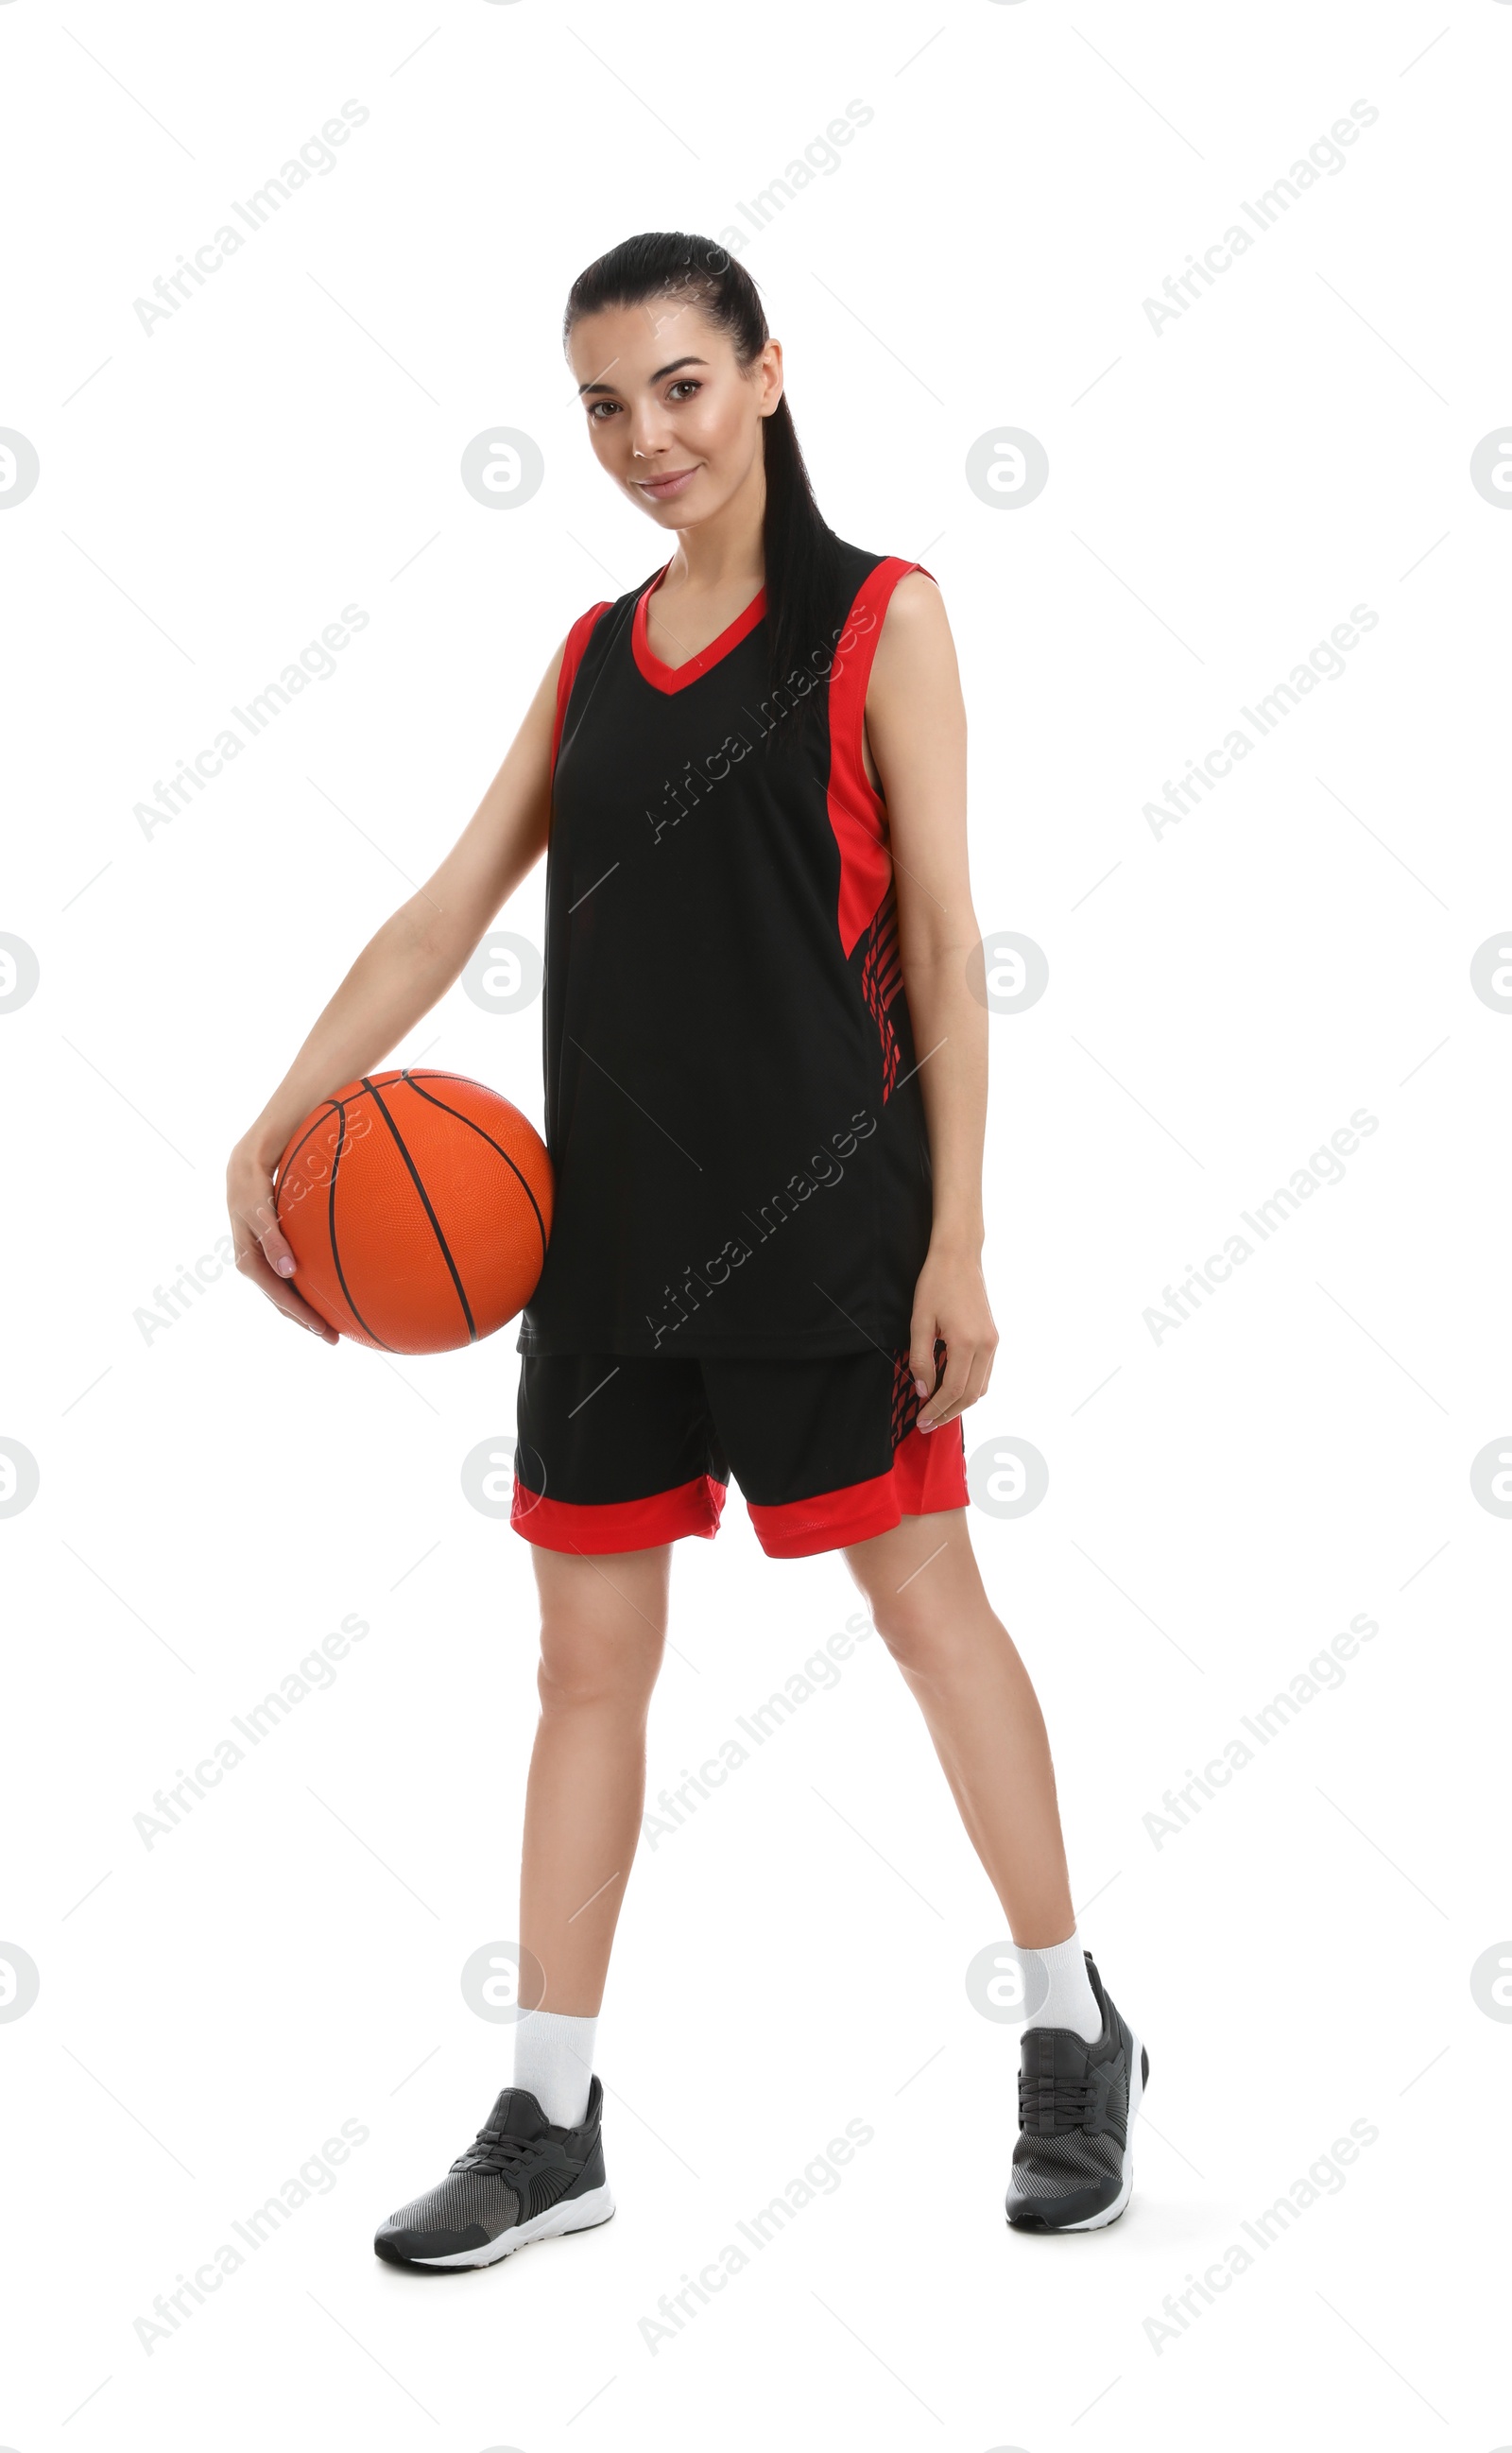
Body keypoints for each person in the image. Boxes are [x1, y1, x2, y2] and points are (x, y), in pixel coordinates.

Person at [225, 231, 1146, 2266]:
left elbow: (940, 953)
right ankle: (550, 2112)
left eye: (678, 388)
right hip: (602, 1248)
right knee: (582, 1666)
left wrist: (960, 1240)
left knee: (925, 1612)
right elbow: (443, 906)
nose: (642, 438)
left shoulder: (879, 615)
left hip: (835, 1227)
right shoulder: (585, 652)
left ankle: (1073, 2027)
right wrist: (279, 1122)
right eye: (601, 404)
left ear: (765, 375)